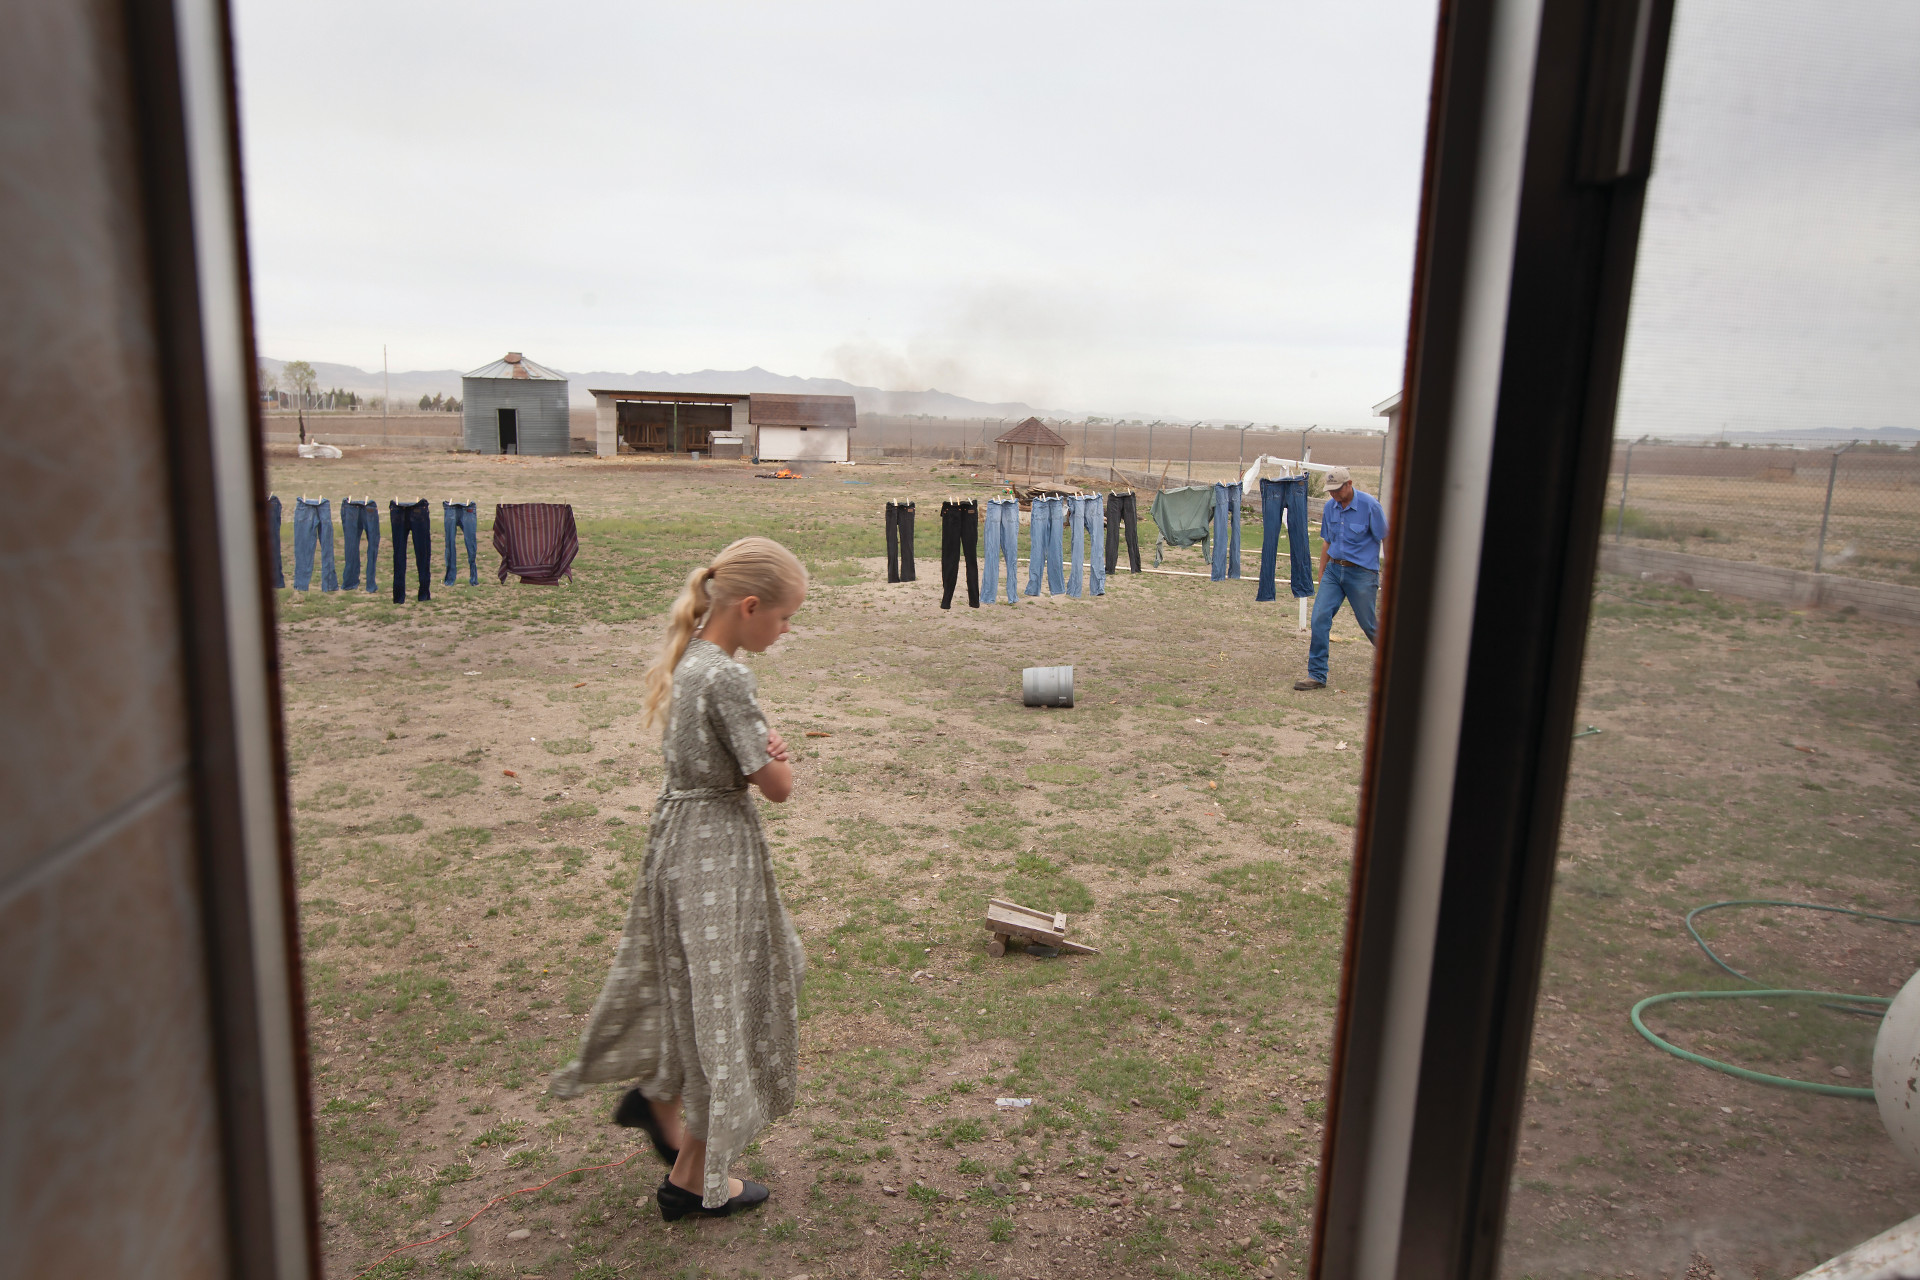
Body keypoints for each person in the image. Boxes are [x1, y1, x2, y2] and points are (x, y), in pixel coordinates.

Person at [551, 536, 808, 1220]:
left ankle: (669, 1113)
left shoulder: (694, 656)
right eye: (784, 619)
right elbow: (776, 786)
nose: (786, 632)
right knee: (730, 1004)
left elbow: (727, 753)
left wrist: (760, 748)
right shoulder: (729, 676)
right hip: (715, 855)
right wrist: (778, 754)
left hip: (679, 843)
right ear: (750, 608)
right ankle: (692, 1172)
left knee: (715, 995)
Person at [1295, 466, 1387, 691]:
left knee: (1369, 625)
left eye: (1337, 490)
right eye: (1330, 490)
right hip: (1334, 572)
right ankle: (1316, 675)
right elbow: (1327, 541)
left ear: (1349, 484)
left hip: (1362, 574)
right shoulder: (1330, 507)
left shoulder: (1371, 507)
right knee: (1319, 618)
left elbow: (1386, 538)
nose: (1333, 494)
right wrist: (1322, 573)